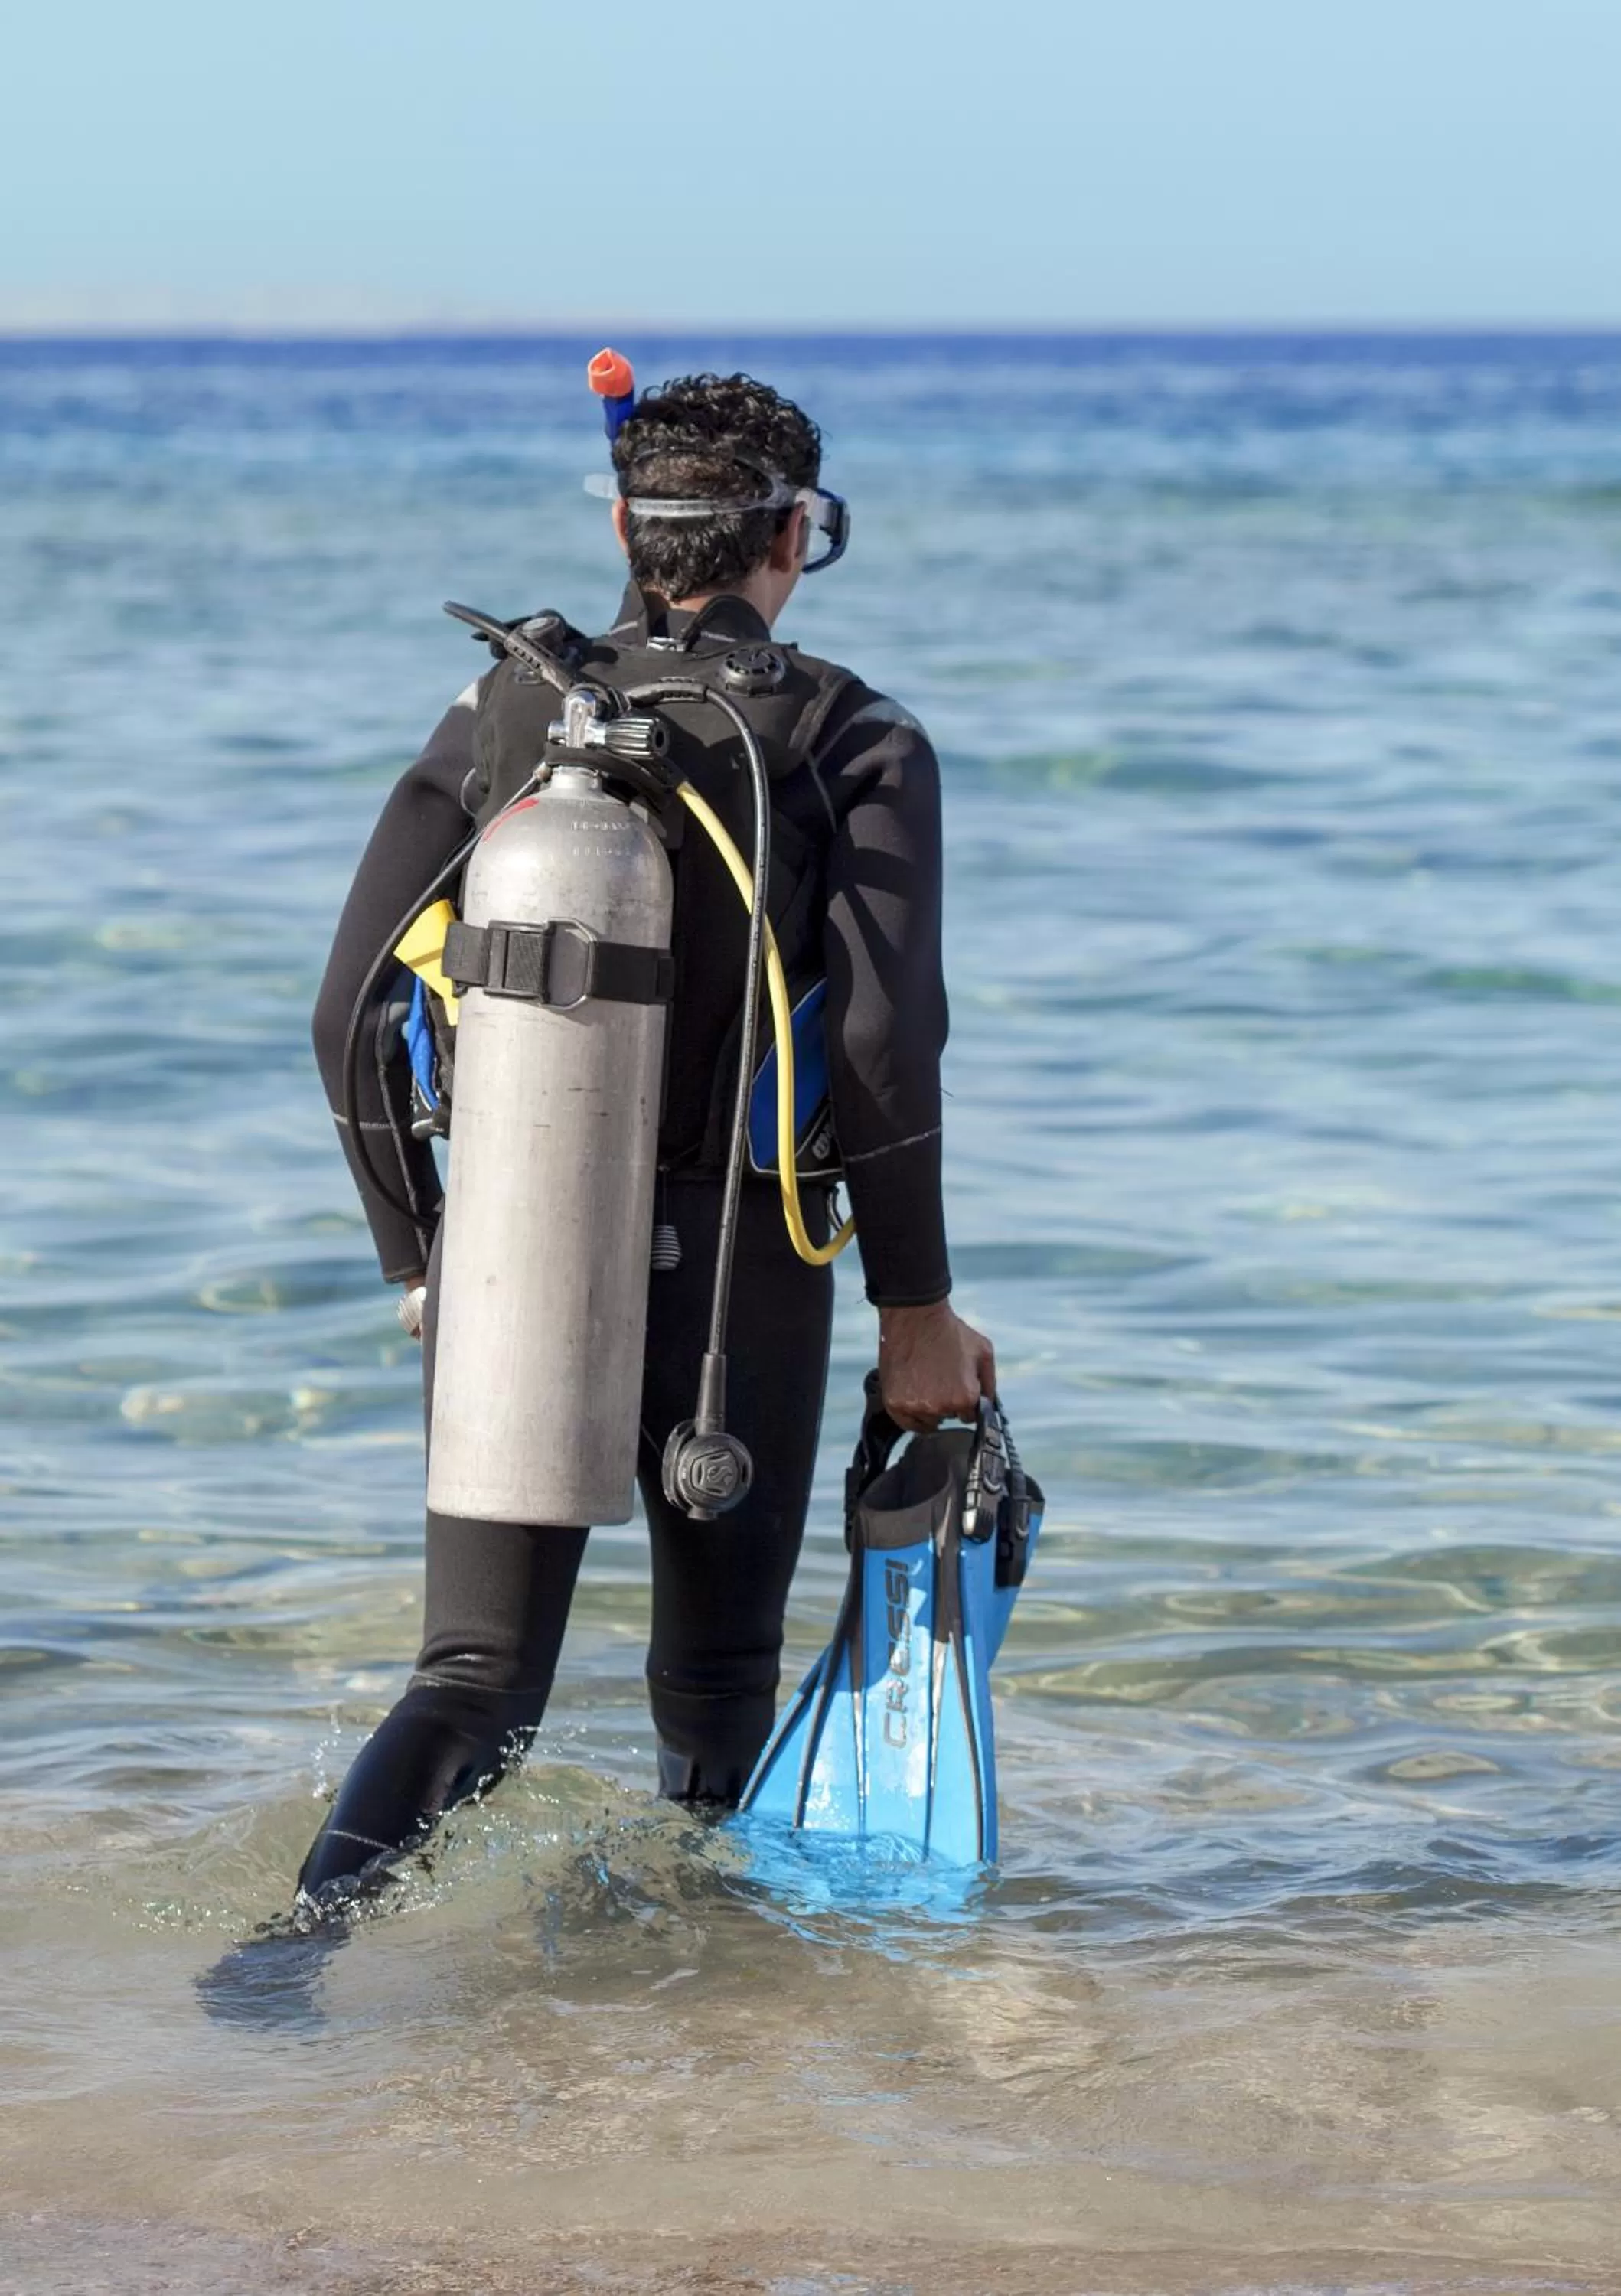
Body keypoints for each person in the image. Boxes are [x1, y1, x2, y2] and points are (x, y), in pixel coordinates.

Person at [298, 370, 994, 1908]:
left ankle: (290, 1950)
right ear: (795, 538)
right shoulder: (852, 737)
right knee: (717, 1683)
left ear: (624, 527)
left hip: (509, 1249)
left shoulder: (507, 711)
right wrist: (917, 1308)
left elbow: (349, 1012)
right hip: (736, 1274)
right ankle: (697, 2013)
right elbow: (880, 1045)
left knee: (473, 1680)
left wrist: (419, 1256)